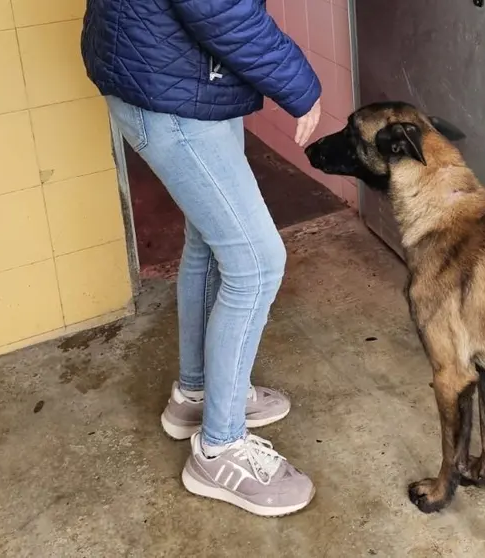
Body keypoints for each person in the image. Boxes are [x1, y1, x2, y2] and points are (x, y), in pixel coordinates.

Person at [81, 0, 323, 517]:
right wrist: (300, 87)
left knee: (211, 243)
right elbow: (220, 8)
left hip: (177, 75)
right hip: (172, 88)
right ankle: (219, 450)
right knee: (257, 263)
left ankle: (198, 395)